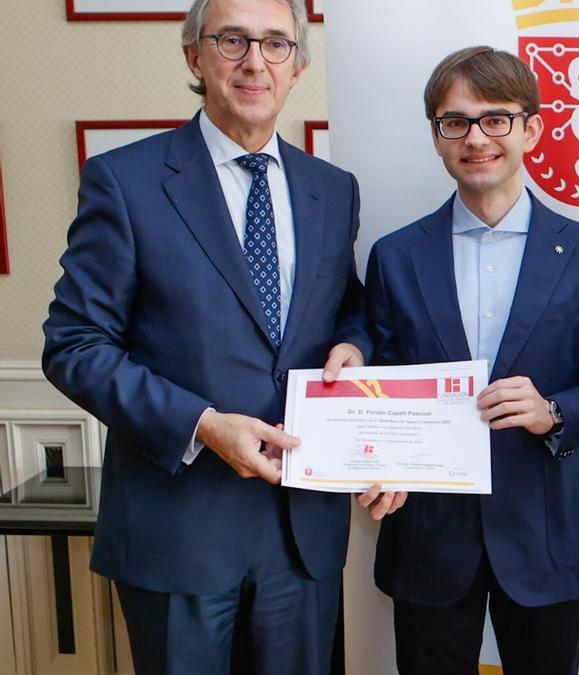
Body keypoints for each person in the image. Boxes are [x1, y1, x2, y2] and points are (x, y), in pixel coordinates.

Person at [41, 0, 370, 673]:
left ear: (298, 66)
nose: (256, 60)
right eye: (232, 40)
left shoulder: (332, 189)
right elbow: (74, 343)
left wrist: (356, 344)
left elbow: (347, 309)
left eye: (276, 44)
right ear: (194, 56)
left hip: (301, 534)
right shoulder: (126, 181)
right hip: (176, 530)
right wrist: (202, 424)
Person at [359, 46, 579, 675]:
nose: (476, 137)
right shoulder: (395, 256)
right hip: (427, 535)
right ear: (436, 136)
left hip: (546, 536)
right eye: (455, 122)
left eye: (496, 119)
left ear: (531, 128)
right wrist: (373, 460)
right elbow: (379, 385)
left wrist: (554, 411)